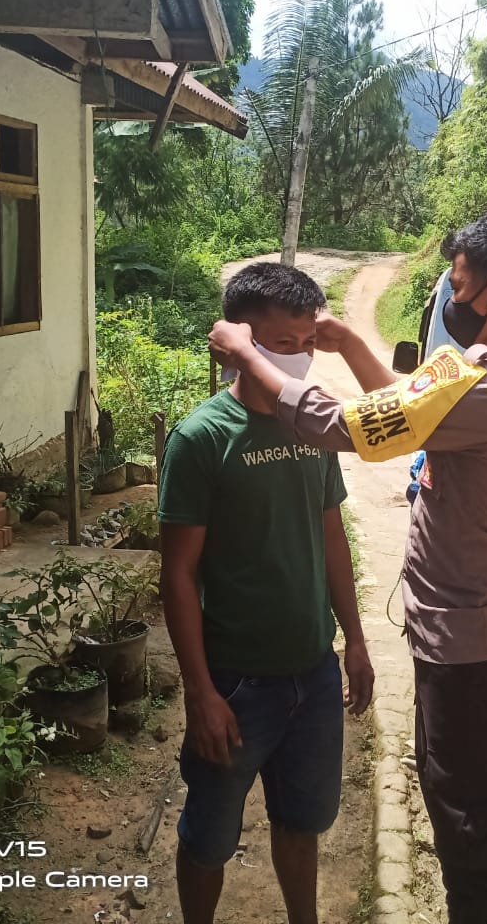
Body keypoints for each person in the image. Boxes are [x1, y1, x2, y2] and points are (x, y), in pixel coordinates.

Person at [208, 211, 487, 924]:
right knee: (457, 804)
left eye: (456, 287)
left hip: (472, 641)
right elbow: (401, 411)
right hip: (470, 634)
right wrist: (340, 340)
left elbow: (349, 429)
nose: (448, 301)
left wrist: (250, 358)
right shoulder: (483, 370)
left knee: (474, 825)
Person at [158, 261, 375, 924]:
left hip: (310, 673)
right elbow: (177, 574)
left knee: (301, 822)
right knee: (209, 839)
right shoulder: (201, 439)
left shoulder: (312, 428)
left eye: (309, 344)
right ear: (239, 342)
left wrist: (356, 640)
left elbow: (332, 539)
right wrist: (200, 692)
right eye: (286, 345)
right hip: (234, 682)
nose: (303, 360)